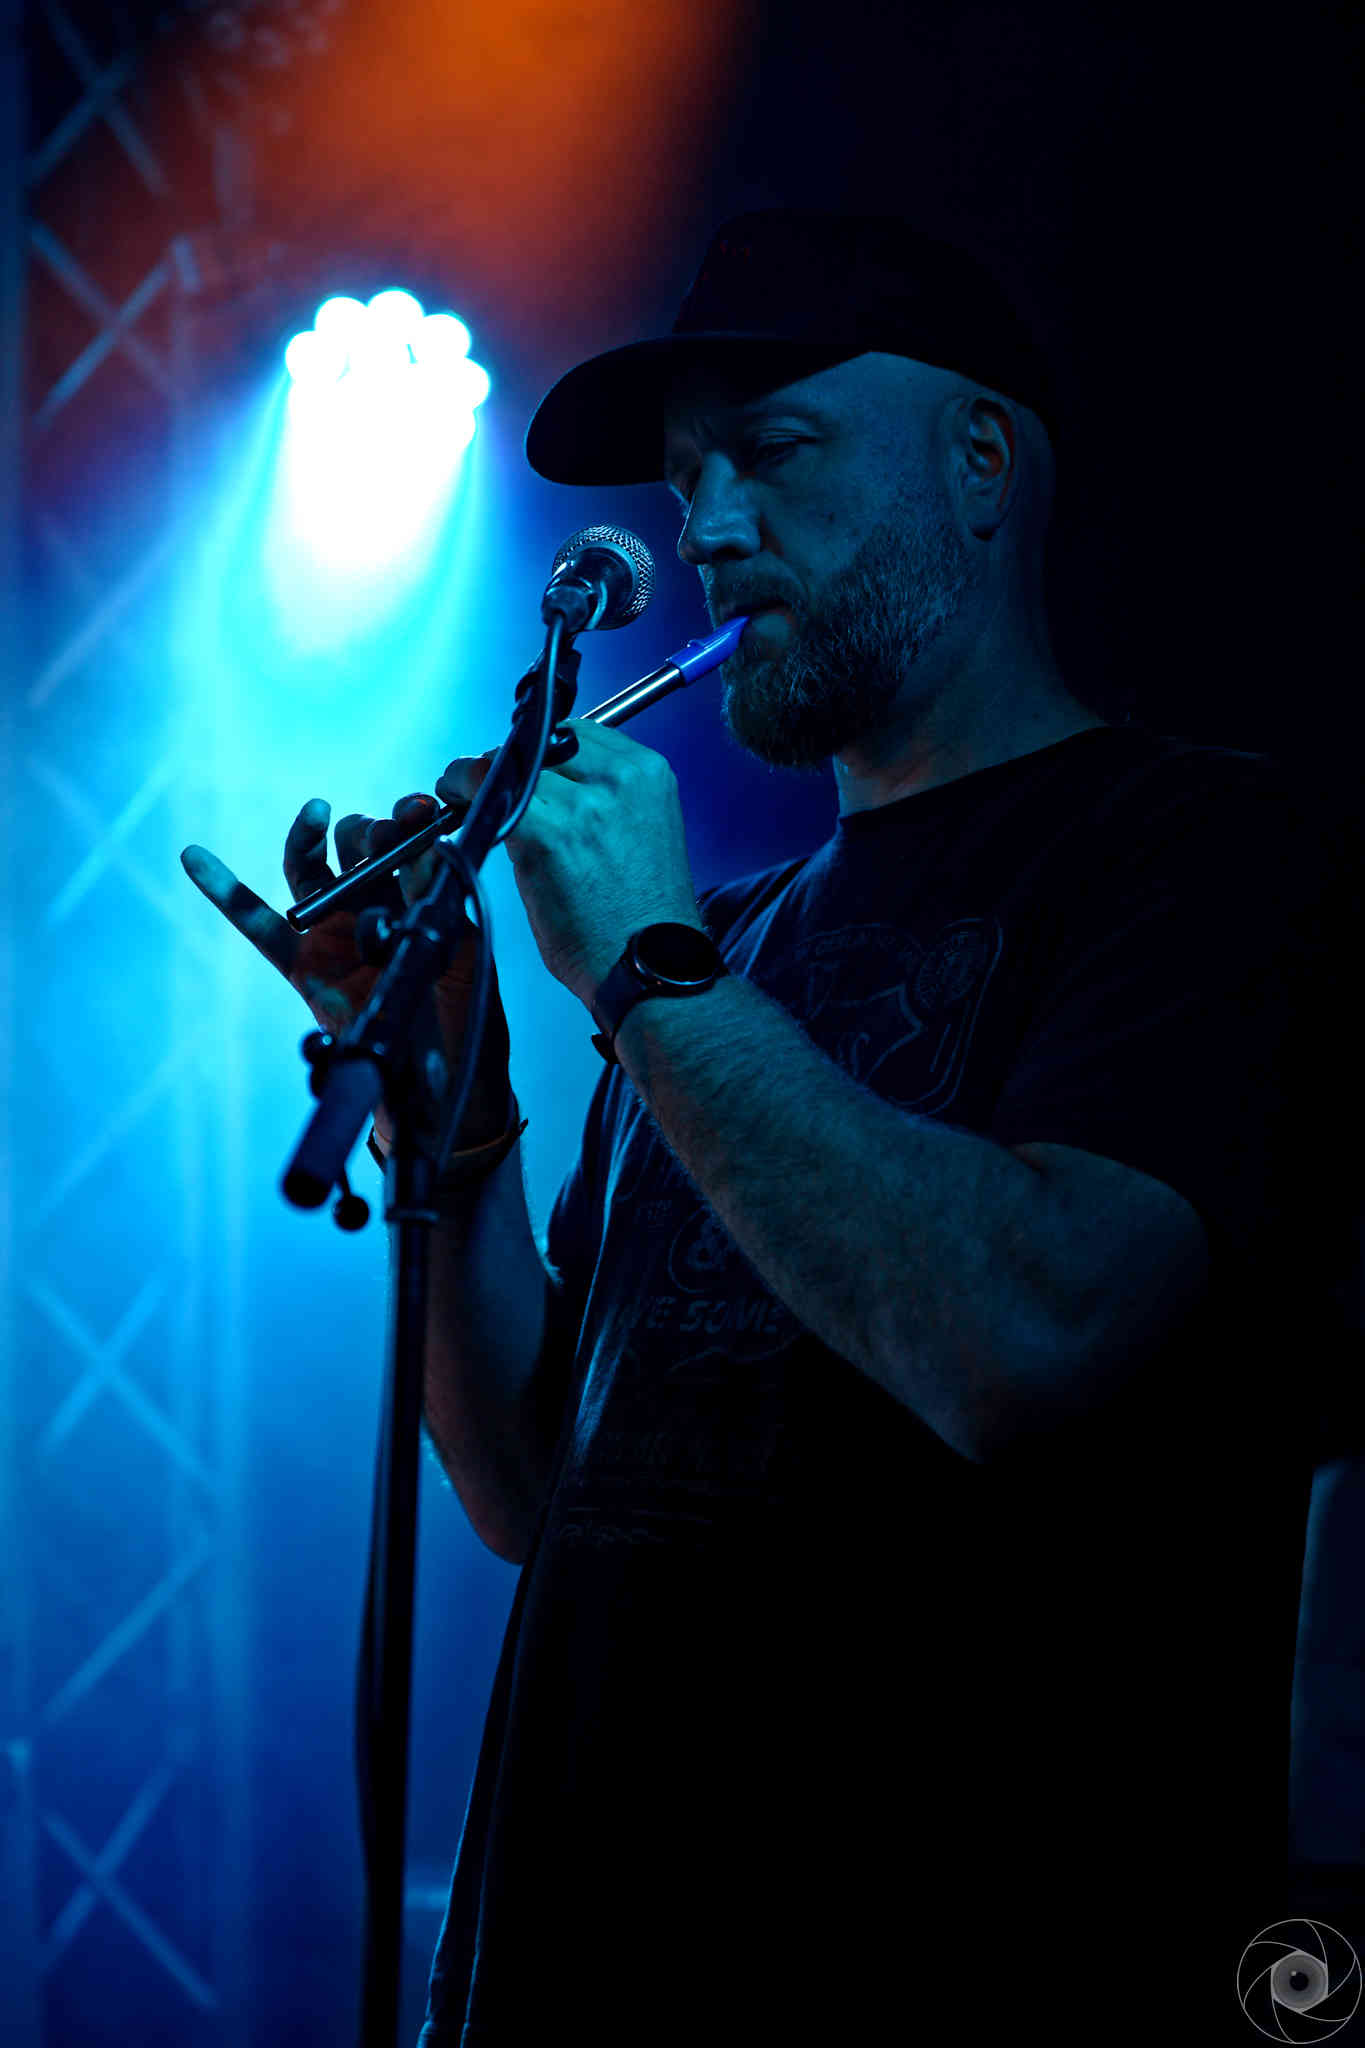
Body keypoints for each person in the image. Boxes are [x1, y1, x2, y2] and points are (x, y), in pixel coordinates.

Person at [182, 211, 1357, 2044]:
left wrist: (647, 977)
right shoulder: (725, 940)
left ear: (980, 464)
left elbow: (1024, 1342)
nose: (706, 529)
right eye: (683, 483)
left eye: (774, 453)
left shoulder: (1208, 855)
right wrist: (453, 1110)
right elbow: (528, 1487)